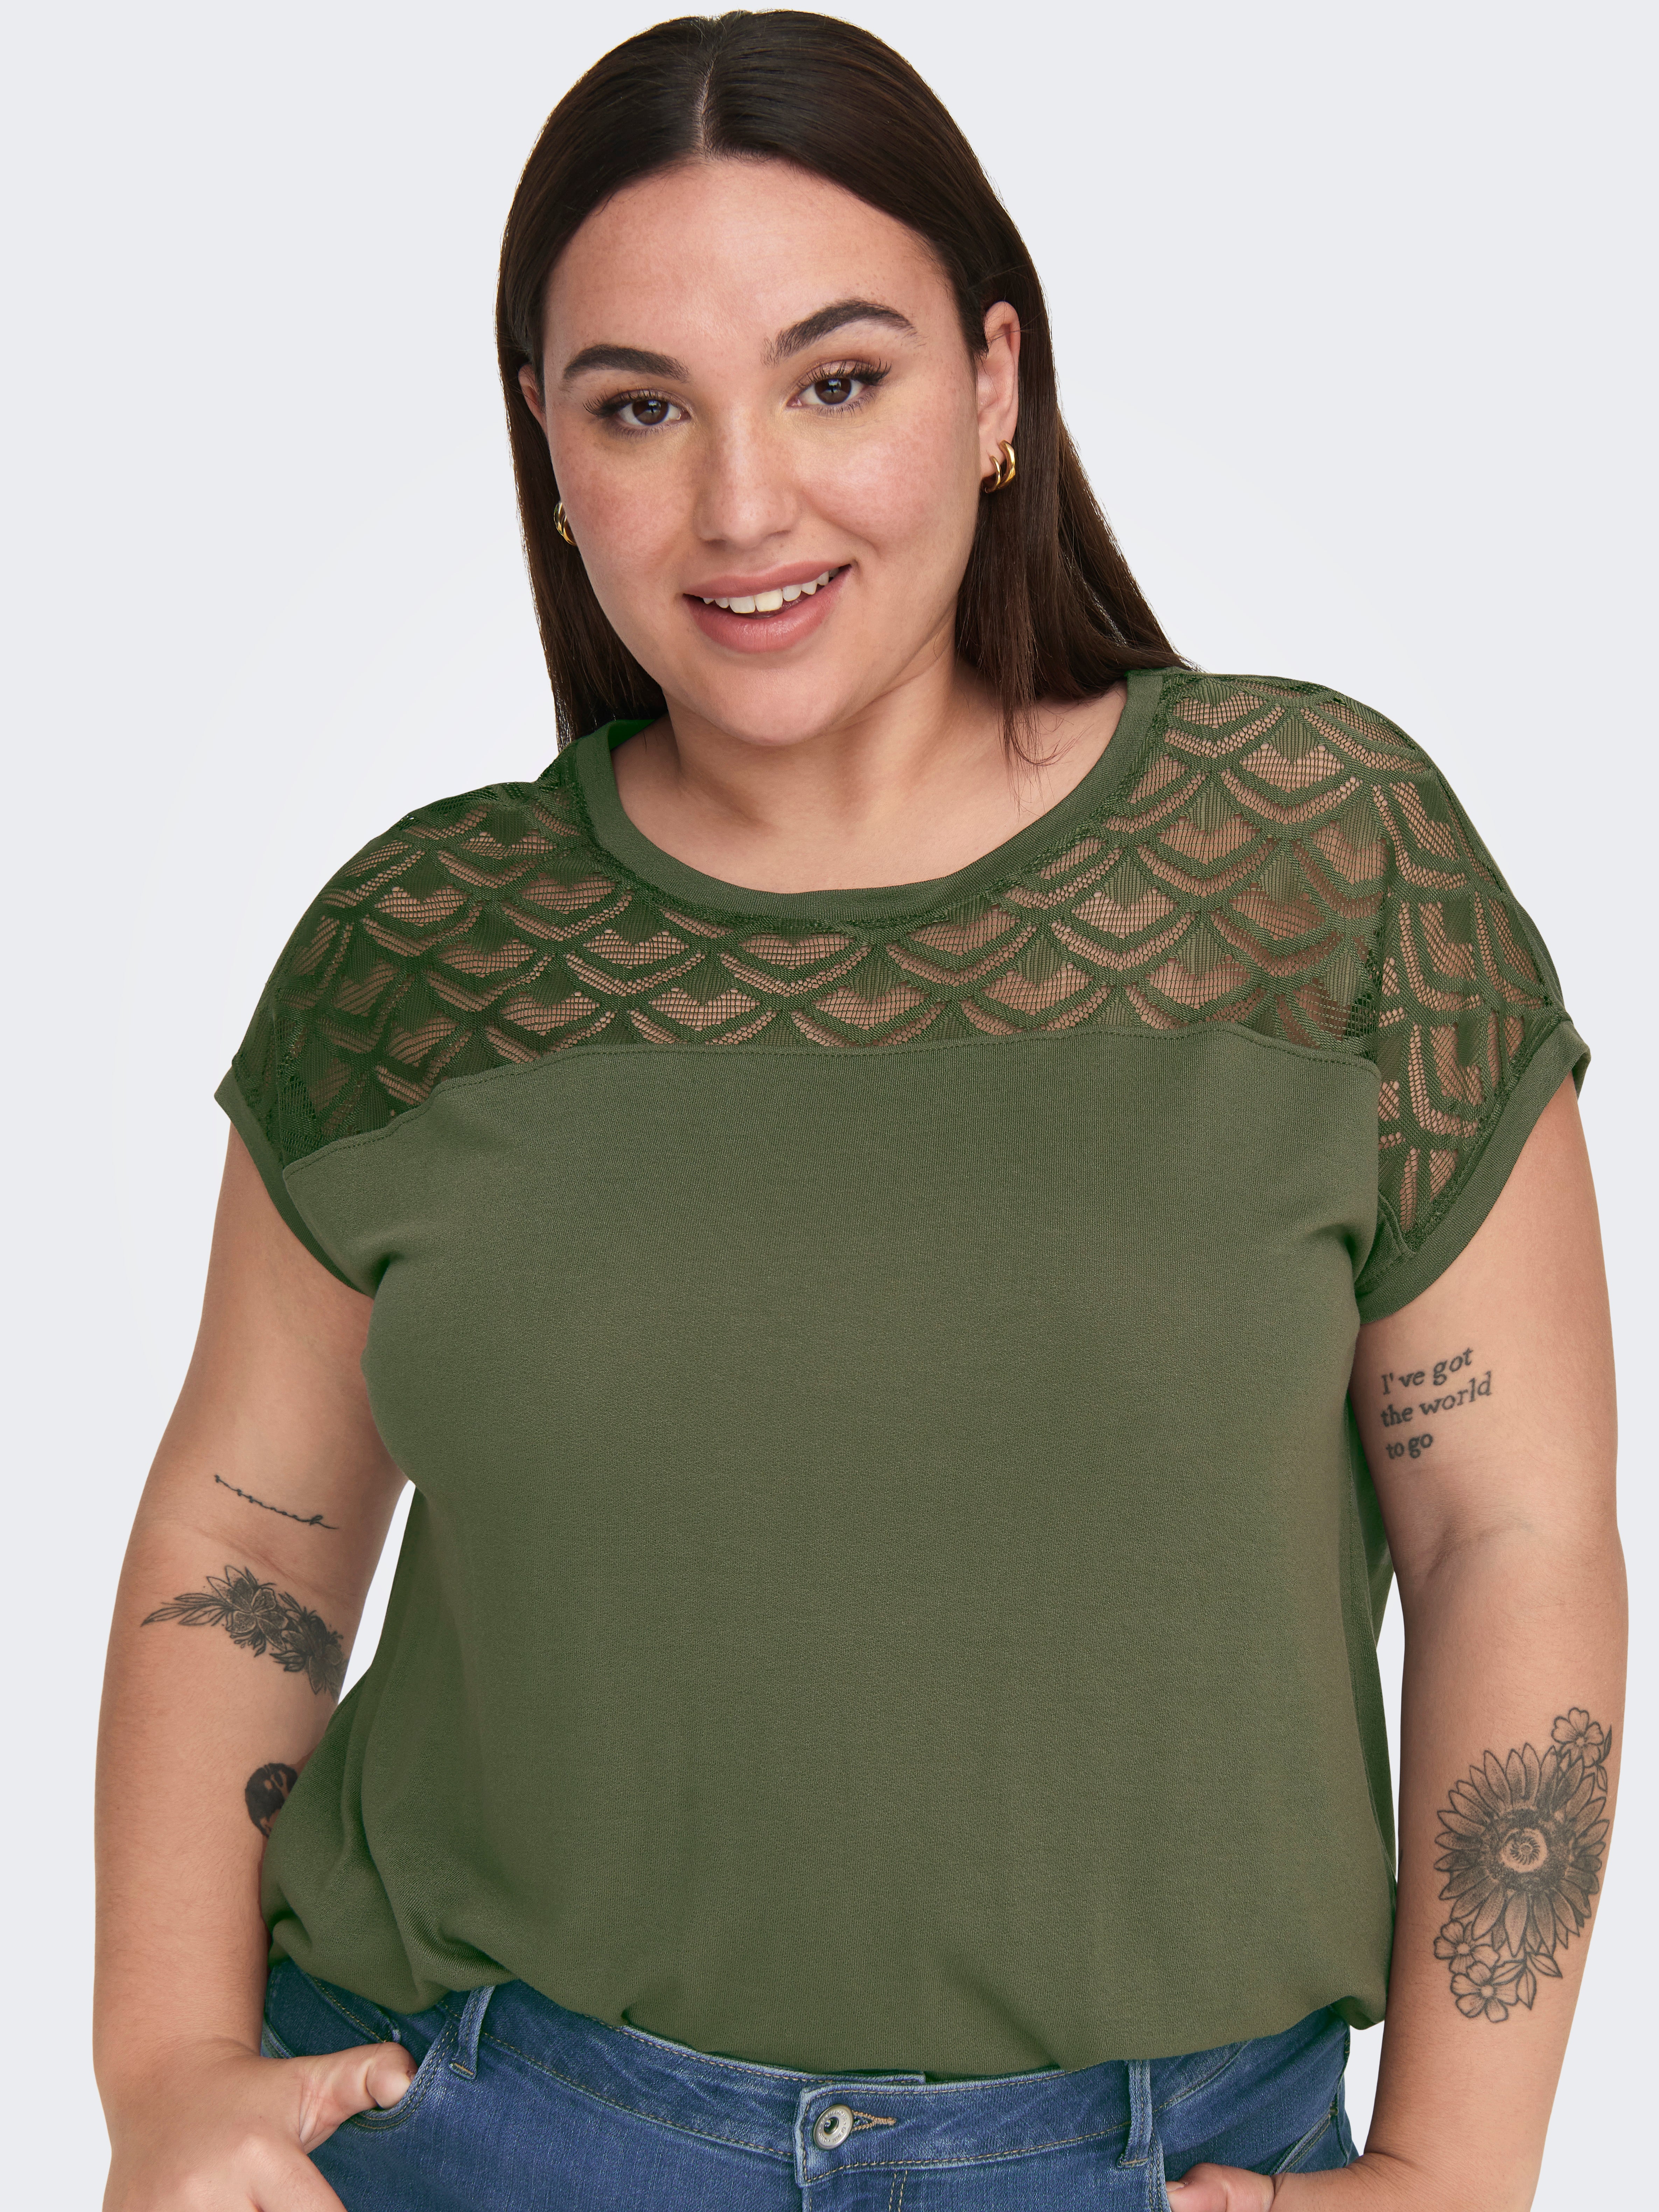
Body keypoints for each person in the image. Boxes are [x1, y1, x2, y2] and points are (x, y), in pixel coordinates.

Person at [94, 13, 1623, 2210]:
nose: (743, 504)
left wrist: (1458, 2174)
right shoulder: (422, 953)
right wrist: (161, 2064)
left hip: (1150, 2169)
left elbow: (1510, 1532)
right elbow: (247, 1538)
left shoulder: (1323, 866)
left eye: (835, 381)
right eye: (640, 407)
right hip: (480, 2130)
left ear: (993, 385)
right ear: (547, 445)